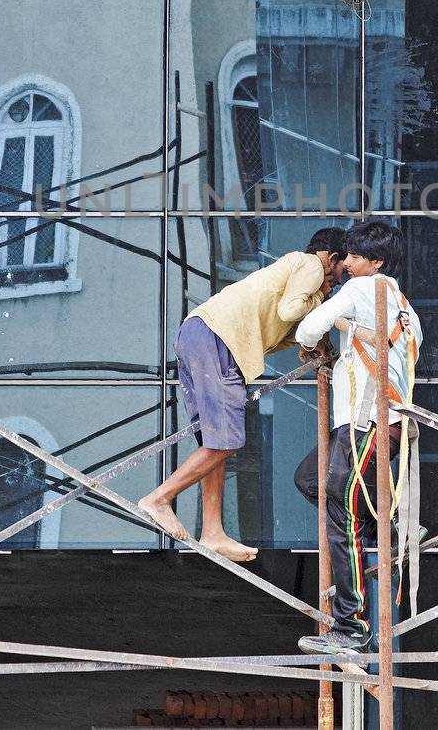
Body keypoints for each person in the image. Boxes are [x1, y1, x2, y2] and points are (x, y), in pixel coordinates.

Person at [137, 227, 348, 562]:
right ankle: (160, 498)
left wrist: (320, 347)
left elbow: (289, 323)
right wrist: (323, 303)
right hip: (218, 339)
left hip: (201, 334)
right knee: (227, 442)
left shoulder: (291, 270)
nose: (338, 280)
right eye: (341, 272)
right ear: (332, 258)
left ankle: (213, 533)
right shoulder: (309, 265)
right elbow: (291, 311)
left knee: (214, 442)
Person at [291, 220, 422, 657]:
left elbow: (309, 328)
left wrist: (336, 327)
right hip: (383, 424)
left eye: (353, 256)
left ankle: (351, 626)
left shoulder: (363, 290)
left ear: (375, 261)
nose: (344, 264)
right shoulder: (405, 307)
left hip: (366, 423)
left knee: (339, 512)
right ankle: (387, 524)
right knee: (313, 480)